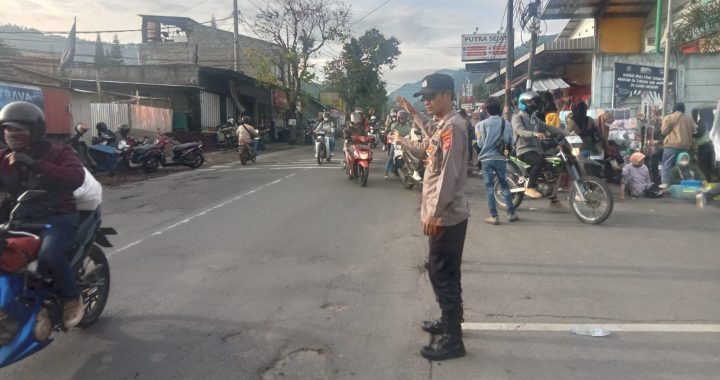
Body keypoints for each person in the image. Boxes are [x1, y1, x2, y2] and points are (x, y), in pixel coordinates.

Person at [392, 73, 469, 361]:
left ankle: (453, 339)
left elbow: (448, 173)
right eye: (423, 98)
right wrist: (411, 114)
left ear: (448, 95)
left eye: (431, 96)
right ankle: (449, 322)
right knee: (445, 272)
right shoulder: (444, 126)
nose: (426, 101)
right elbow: (429, 140)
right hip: (446, 215)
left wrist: (435, 214)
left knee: (442, 274)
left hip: (446, 217)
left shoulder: (453, 128)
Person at [0, 101, 86, 328]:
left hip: (58, 217)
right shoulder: (3, 158)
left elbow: (76, 177)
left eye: (19, 130)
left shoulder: (58, 152)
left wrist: (35, 164)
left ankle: (71, 297)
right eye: (8, 129)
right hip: (20, 218)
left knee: (49, 256)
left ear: (35, 130)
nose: (12, 135)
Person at [511, 91, 565, 201]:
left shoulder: (534, 119)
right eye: (530, 102)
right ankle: (530, 187)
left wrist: (566, 132)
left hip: (536, 149)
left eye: (534, 102)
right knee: (539, 161)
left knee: (554, 161)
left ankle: (550, 192)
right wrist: (535, 134)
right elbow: (520, 131)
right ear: (523, 103)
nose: (534, 104)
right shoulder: (517, 118)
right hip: (523, 150)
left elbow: (549, 127)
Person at [477, 99, 517, 224]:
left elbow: (480, 143)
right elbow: (512, 141)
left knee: (489, 186)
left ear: (487, 110)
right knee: (504, 185)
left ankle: (494, 216)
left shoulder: (481, 124)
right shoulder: (506, 123)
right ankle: (511, 213)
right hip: (500, 158)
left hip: (486, 159)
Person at [660, 103, 696, 188]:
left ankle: (665, 184)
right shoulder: (689, 118)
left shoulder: (669, 117)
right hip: (685, 146)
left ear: (674, 108)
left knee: (667, 164)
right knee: (683, 165)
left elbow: (663, 131)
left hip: (671, 145)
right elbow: (694, 130)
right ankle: (684, 185)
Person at [385, 110, 412, 179]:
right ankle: (386, 172)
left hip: (405, 142)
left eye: (404, 118)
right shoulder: (394, 125)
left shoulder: (408, 125)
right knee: (391, 156)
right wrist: (391, 137)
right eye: (401, 118)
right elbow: (390, 134)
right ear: (398, 118)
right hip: (395, 142)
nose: (403, 119)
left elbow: (411, 133)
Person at [693, 108, 715, 181]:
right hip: (710, 145)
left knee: (703, 166)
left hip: (703, 146)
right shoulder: (712, 121)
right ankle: (708, 180)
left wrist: (692, 134)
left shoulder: (702, 121)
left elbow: (699, 134)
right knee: (708, 166)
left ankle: (705, 181)